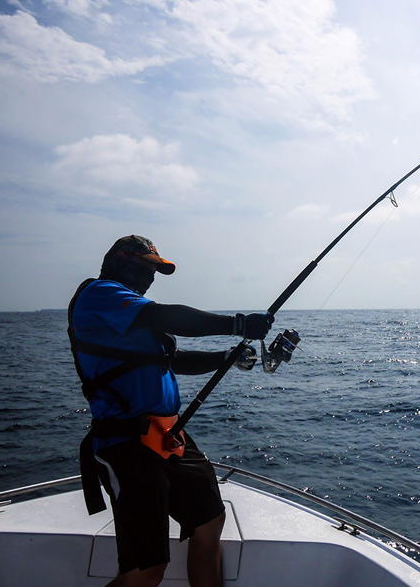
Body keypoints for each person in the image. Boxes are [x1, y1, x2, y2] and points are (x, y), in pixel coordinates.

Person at [68, 235, 273, 587]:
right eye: (147, 266)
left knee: (209, 523)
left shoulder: (132, 316)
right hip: (126, 443)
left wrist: (225, 358)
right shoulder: (98, 294)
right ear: (121, 259)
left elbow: (171, 361)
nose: (150, 277)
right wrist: (237, 325)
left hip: (170, 435)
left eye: (156, 271)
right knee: (146, 569)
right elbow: (168, 316)